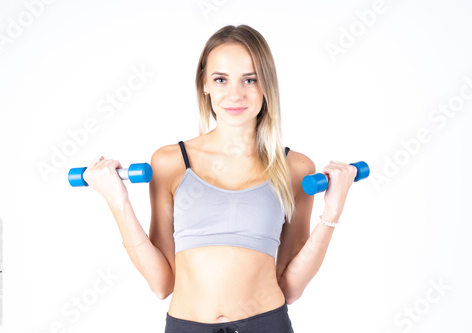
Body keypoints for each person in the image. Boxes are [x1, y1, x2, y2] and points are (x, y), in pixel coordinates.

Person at [83, 24, 358, 333]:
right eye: (221, 79)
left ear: (266, 84)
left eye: (250, 79)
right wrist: (118, 204)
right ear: (205, 84)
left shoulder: (295, 167)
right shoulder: (171, 163)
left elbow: (291, 288)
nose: (235, 94)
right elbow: (161, 284)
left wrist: (331, 213)